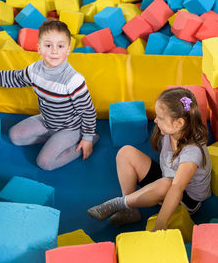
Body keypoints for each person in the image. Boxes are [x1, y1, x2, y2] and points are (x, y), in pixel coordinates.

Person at [87, 87, 211, 231]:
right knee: (126, 152)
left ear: (179, 123)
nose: (155, 120)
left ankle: (121, 203)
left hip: (186, 199)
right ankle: (130, 210)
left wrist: (160, 223)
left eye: (160, 117)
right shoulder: (171, 131)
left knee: (167, 184)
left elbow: (176, 188)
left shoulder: (192, 152)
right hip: (167, 177)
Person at [0, 20, 98, 171]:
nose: (54, 51)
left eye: (60, 46)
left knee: (45, 163)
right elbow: (14, 78)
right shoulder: (34, 70)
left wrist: (88, 139)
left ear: (68, 49)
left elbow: (88, 111)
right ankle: (52, 139)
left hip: (70, 127)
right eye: (48, 45)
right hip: (47, 121)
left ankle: (82, 142)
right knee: (15, 136)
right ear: (39, 49)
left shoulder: (73, 80)